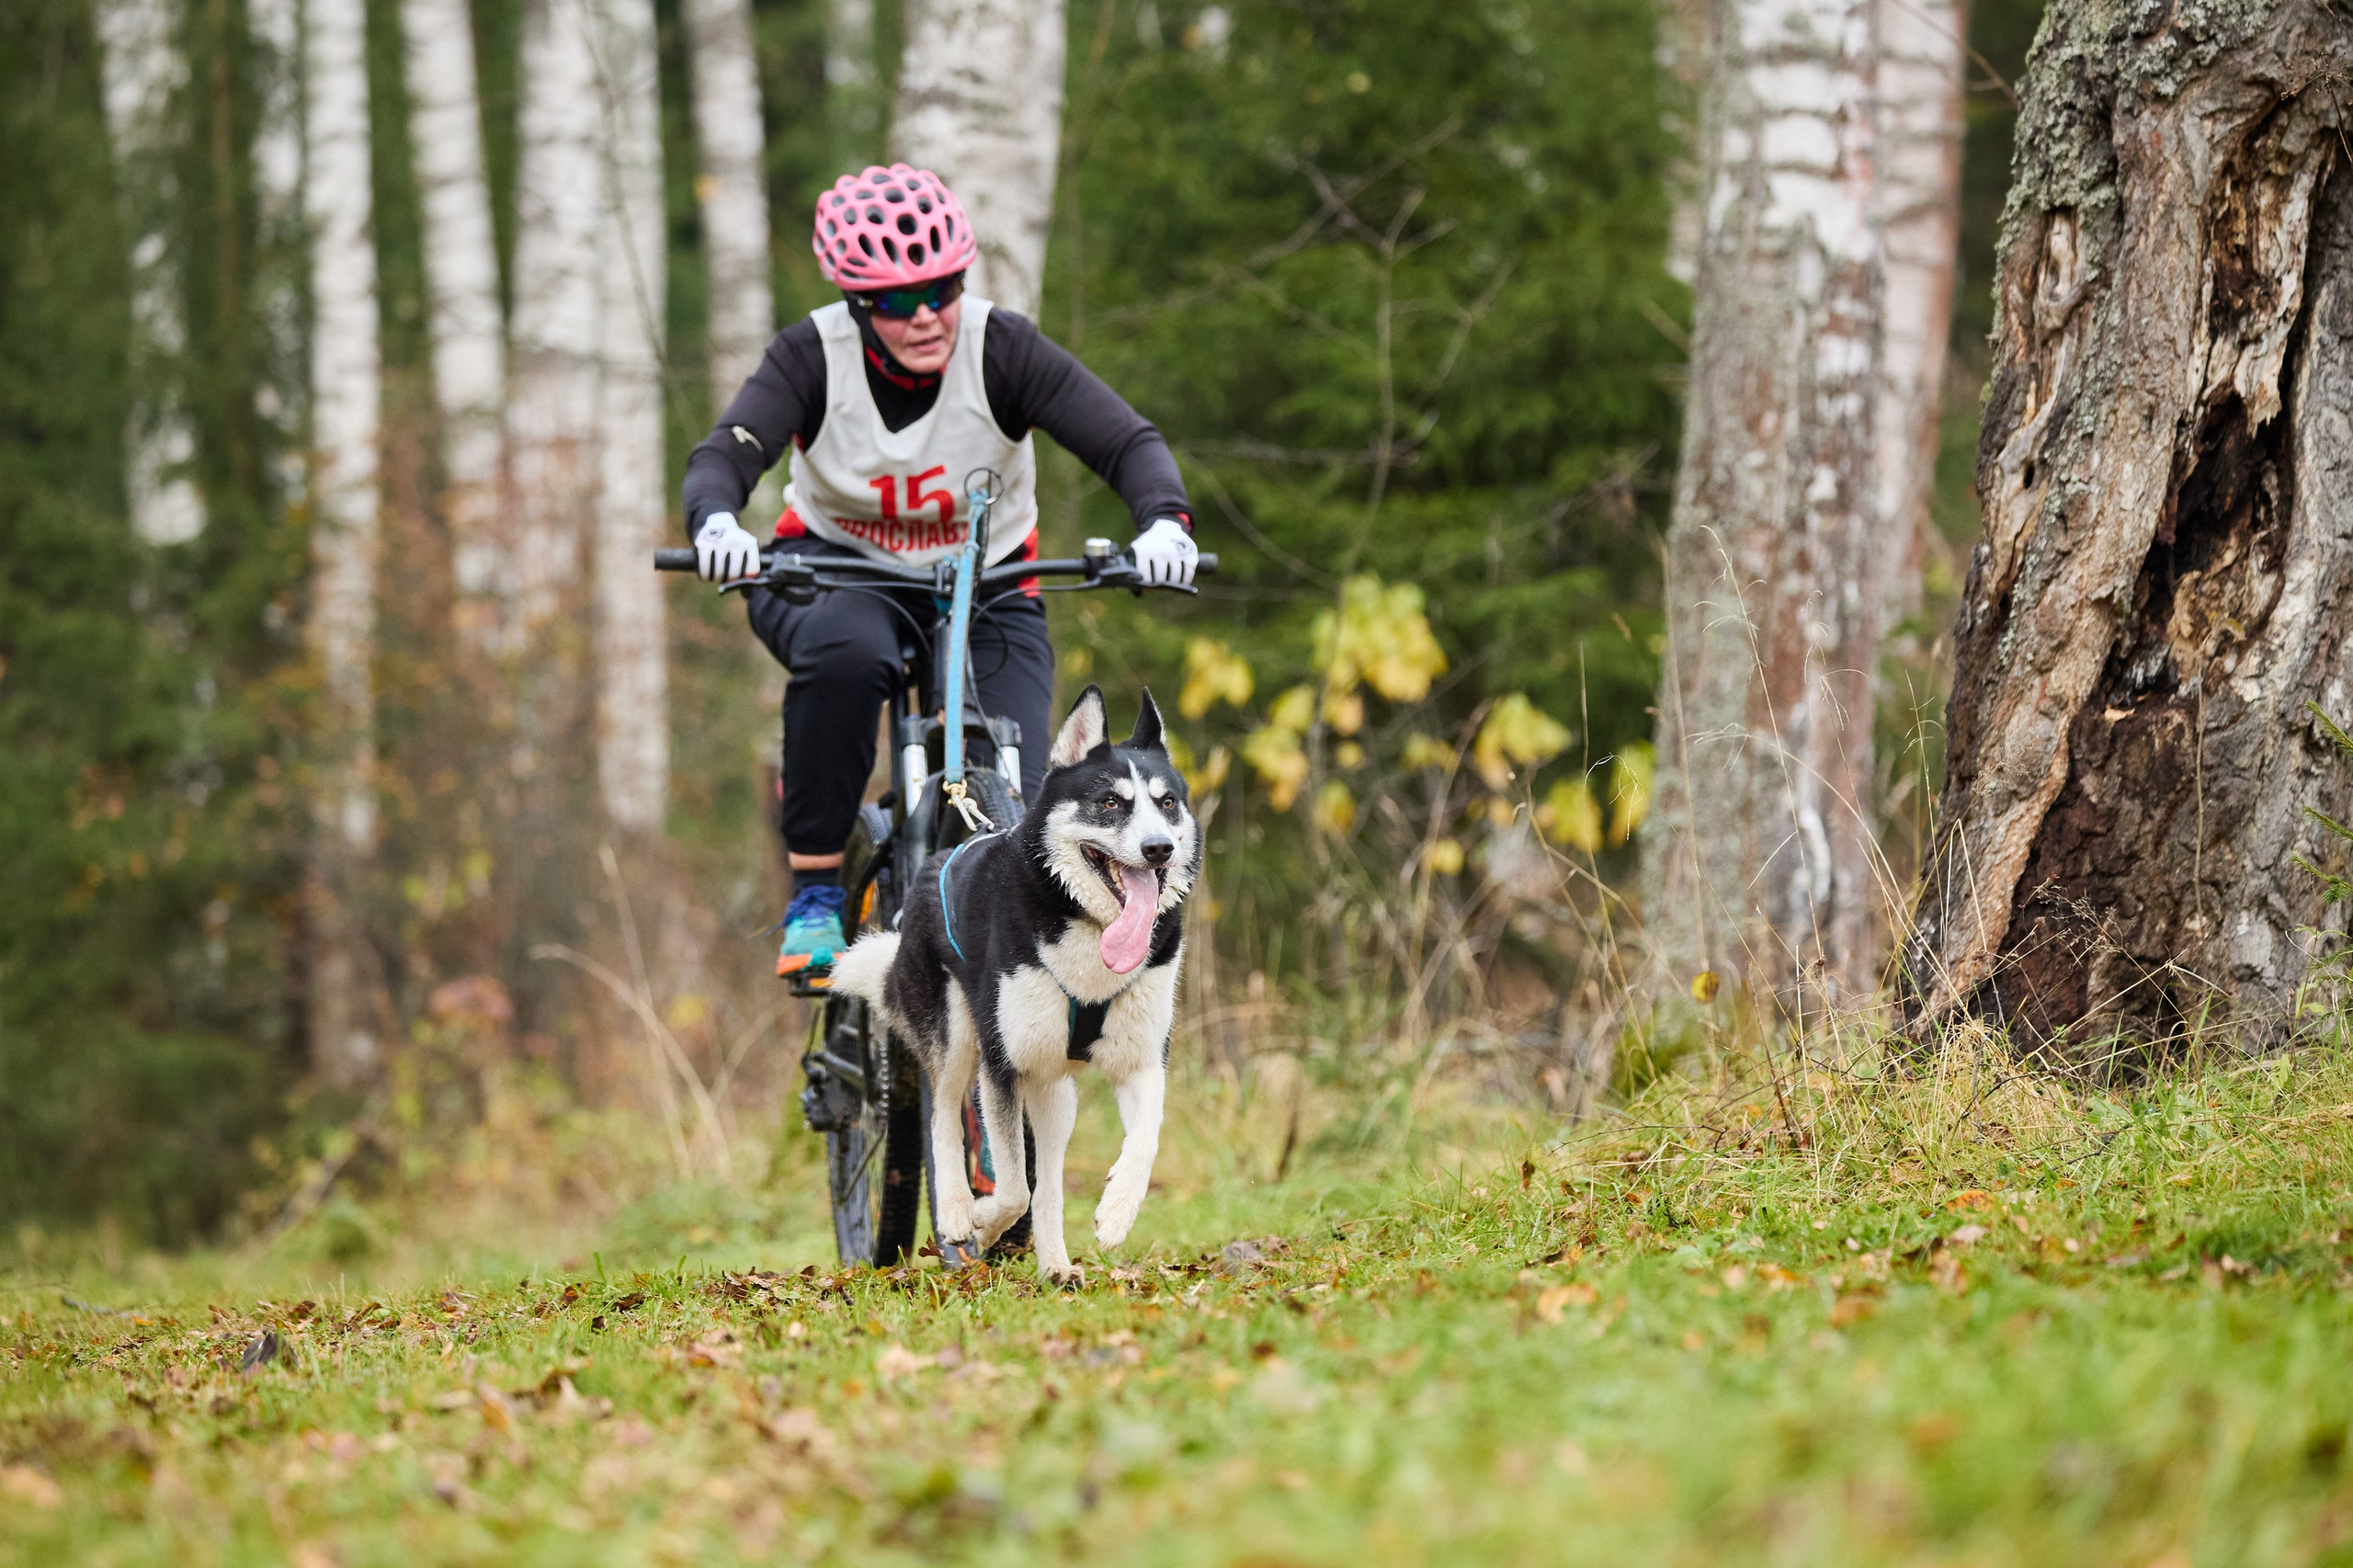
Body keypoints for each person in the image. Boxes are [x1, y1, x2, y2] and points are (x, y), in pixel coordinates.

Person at [681, 164, 1199, 979]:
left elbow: (1125, 440)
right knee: (850, 657)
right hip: (834, 571)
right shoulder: (812, 355)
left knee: (1019, 791)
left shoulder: (1004, 349)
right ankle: (817, 890)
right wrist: (714, 519)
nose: (925, 316)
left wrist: (1165, 521)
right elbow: (728, 451)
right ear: (858, 304)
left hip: (987, 584)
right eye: (894, 301)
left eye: (942, 289)